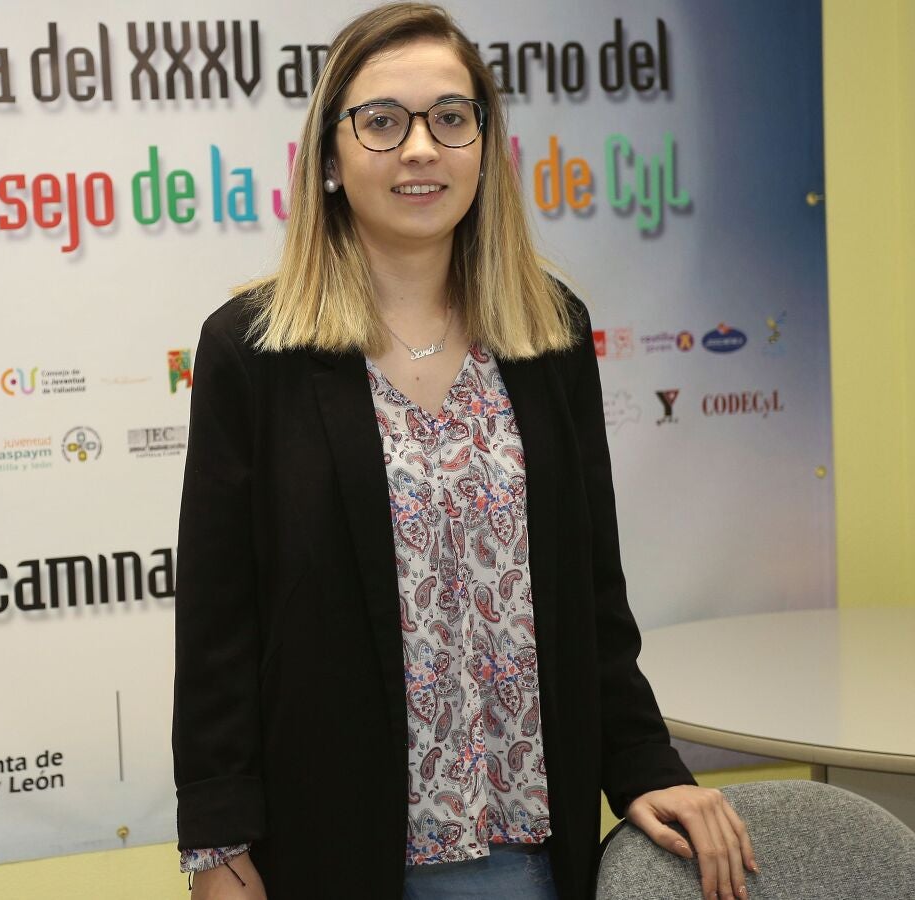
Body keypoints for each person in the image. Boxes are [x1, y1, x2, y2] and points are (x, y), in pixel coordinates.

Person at [171, 4, 758, 899]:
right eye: (382, 121)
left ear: (484, 148)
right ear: (328, 157)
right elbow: (219, 623)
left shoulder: (549, 332)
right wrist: (216, 845)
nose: (420, 148)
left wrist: (646, 763)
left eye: (451, 117)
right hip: (333, 848)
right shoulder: (253, 350)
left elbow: (592, 597)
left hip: (531, 853)